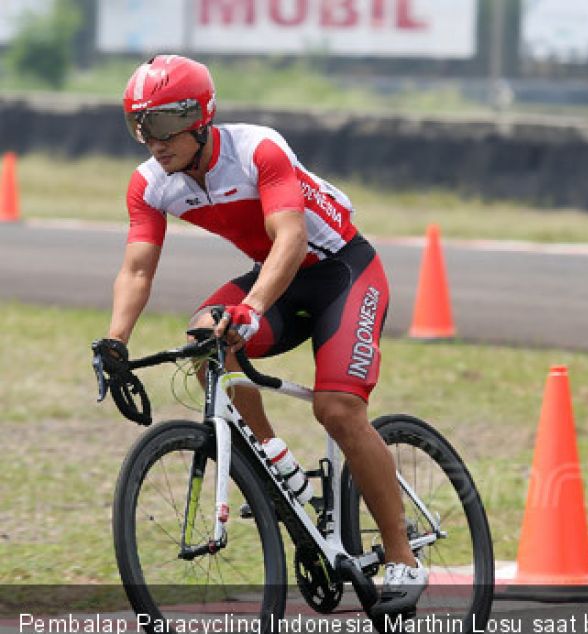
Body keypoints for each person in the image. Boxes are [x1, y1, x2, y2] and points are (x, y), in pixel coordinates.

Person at [93, 54, 426, 612]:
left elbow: (291, 239)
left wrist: (250, 307)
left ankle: (402, 556)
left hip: (342, 270)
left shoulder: (257, 150)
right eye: (140, 125)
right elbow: (137, 268)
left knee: (338, 410)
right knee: (205, 335)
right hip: (279, 276)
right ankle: (273, 454)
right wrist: (115, 340)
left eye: (165, 124)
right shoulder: (151, 184)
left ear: (202, 117)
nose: (153, 140)